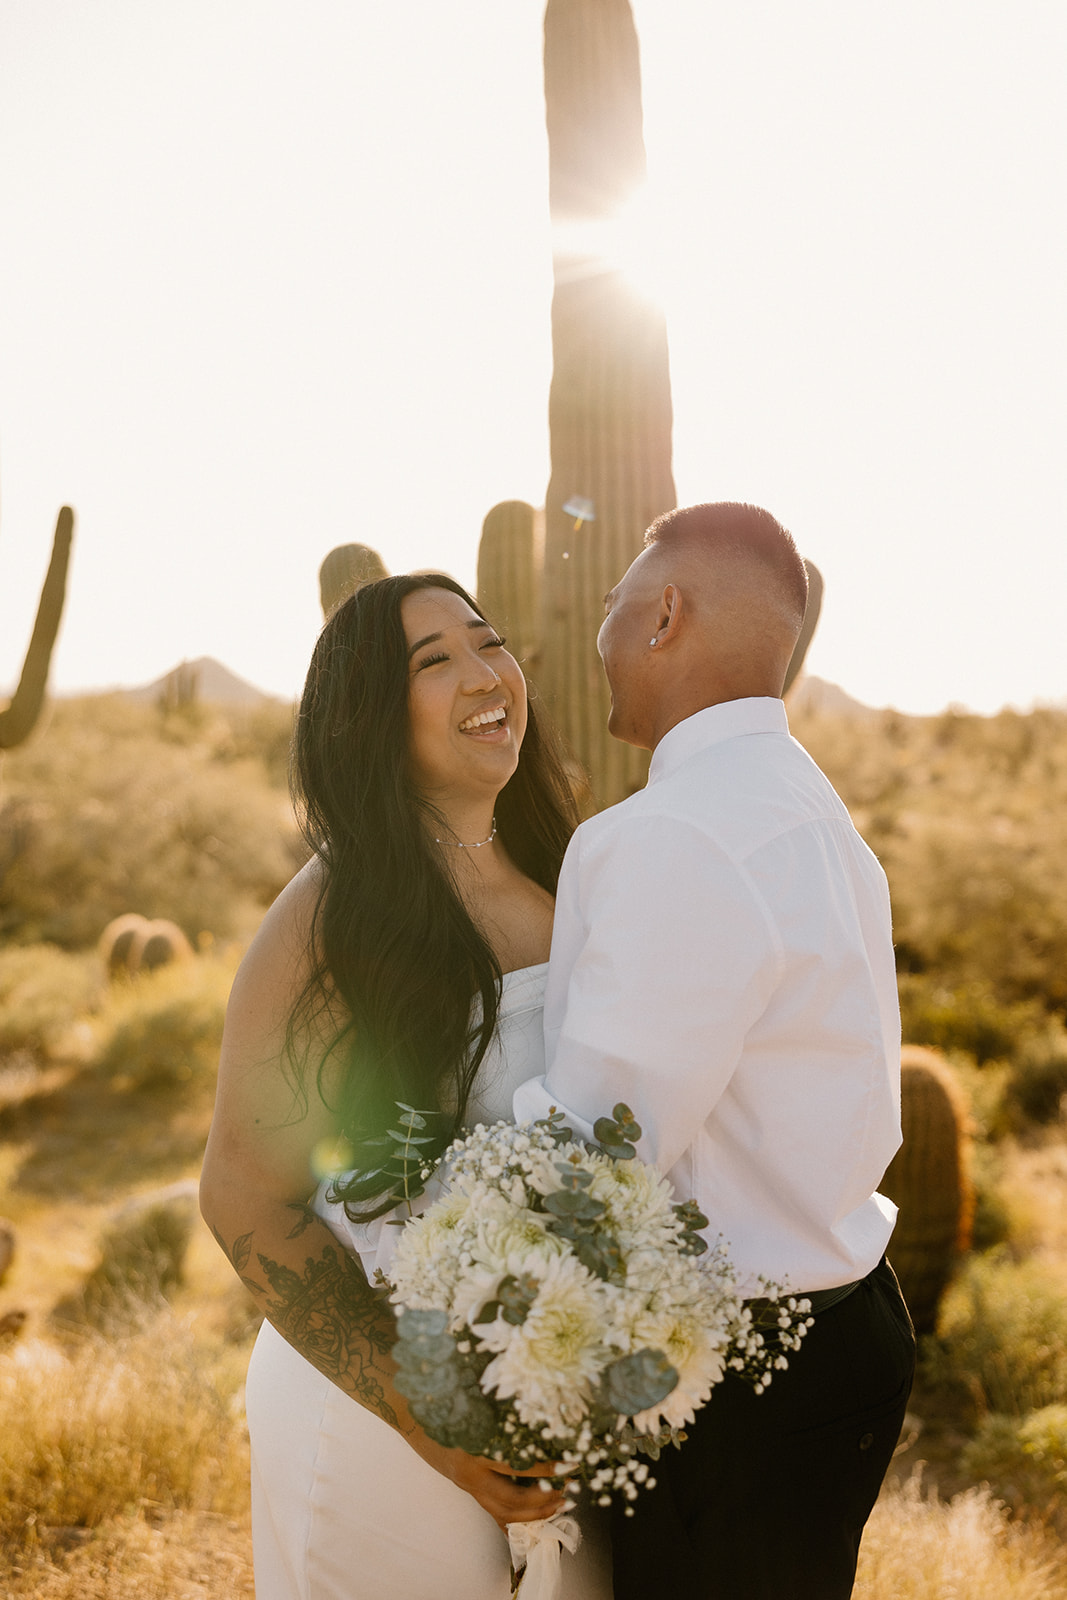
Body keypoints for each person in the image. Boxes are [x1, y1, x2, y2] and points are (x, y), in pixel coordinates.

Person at [514, 502, 916, 1600]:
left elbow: (599, 1152)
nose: (597, 635)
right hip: (847, 1324)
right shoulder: (812, 812)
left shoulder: (670, 836)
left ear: (664, 616)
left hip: (739, 1384)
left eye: (611, 607)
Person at [199, 574, 612, 1599]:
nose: (484, 676)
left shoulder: (579, 872)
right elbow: (244, 1192)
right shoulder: (331, 916)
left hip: (562, 1415)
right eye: (434, 662)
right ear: (368, 716)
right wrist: (428, 1410)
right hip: (381, 1429)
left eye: (489, 642)